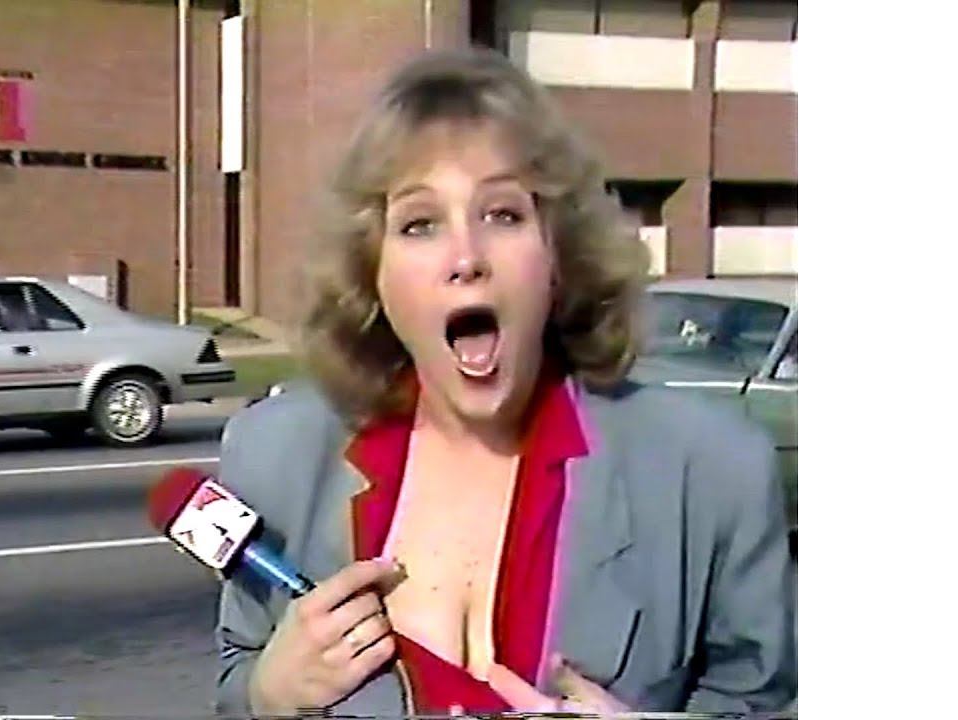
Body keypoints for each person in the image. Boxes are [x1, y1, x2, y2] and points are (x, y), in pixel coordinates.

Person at [212, 47, 796, 717]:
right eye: (420, 224)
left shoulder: (713, 471)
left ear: (557, 256)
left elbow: (770, 703)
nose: (466, 258)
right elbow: (237, 673)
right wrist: (269, 692)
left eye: (503, 215)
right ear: (373, 276)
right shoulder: (274, 455)